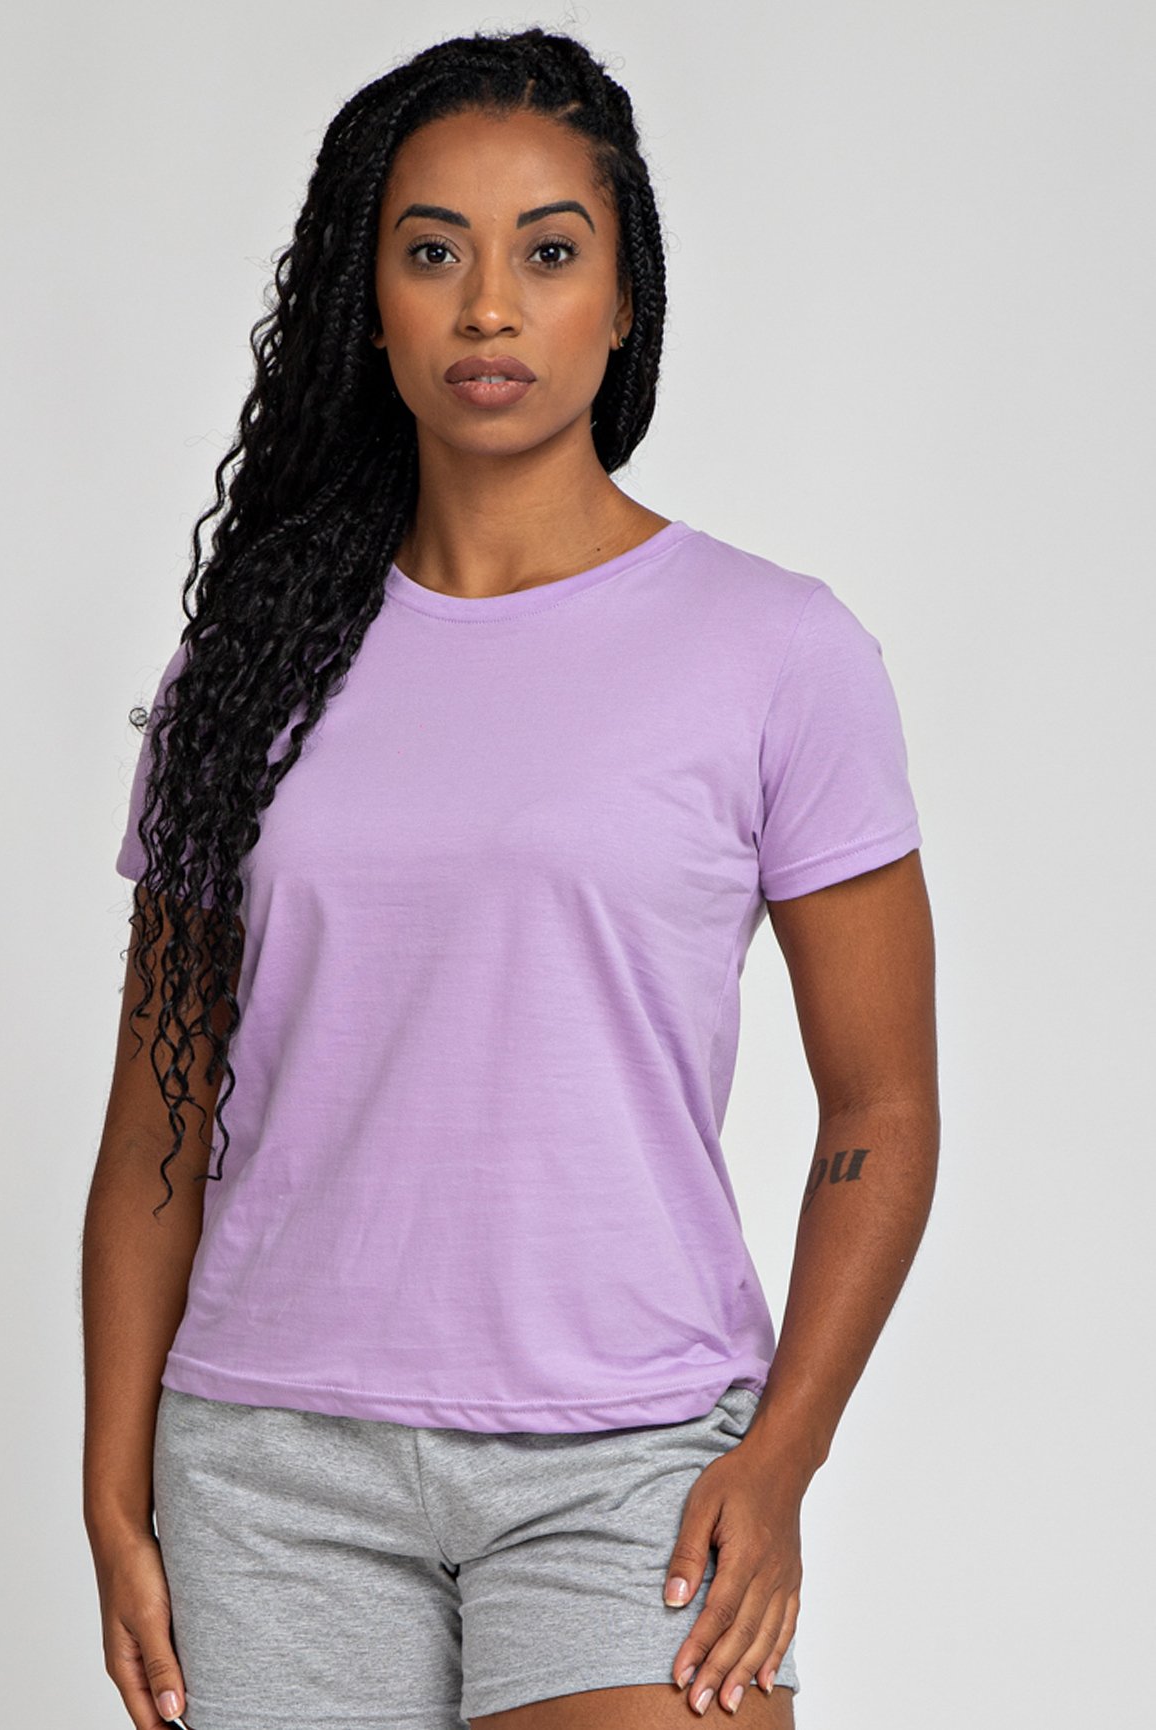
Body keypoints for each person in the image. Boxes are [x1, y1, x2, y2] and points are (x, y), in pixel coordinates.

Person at [82, 25, 939, 1730]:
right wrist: (114, 1492)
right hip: (270, 1469)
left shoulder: (773, 651)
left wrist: (780, 1454)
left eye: (548, 253)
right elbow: (155, 1117)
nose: (488, 307)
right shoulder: (243, 676)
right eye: (432, 253)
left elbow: (883, 1105)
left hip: (630, 1457)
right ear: (368, 304)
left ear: (622, 304)